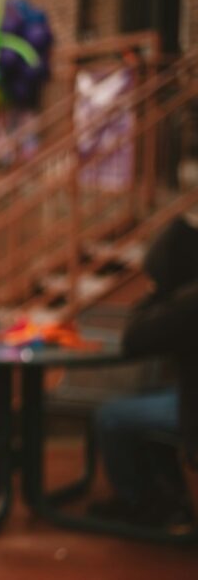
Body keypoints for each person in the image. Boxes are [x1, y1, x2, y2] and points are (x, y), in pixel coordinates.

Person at [92, 213, 198, 527]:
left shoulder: (190, 303)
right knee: (148, 401)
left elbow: (134, 339)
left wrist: (157, 292)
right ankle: (169, 495)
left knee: (110, 415)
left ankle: (138, 501)